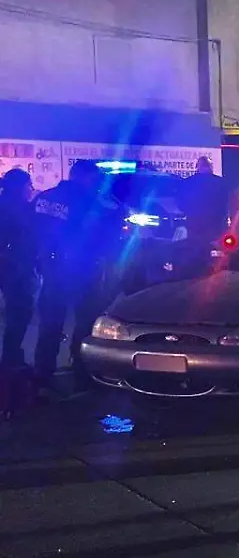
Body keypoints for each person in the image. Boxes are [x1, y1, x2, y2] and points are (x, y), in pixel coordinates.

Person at [32, 159, 126, 390]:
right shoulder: (88, 200)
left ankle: (42, 373)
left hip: (51, 268)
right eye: (93, 180)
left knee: (50, 323)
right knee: (85, 321)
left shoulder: (45, 196)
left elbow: (31, 229)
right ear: (84, 177)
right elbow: (104, 229)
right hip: (81, 268)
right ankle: (81, 371)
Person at [0, 168, 36, 368]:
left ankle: (12, 357)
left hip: (12, 264)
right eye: (28, 185)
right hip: (15, 266)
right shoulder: (20, 209)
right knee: (20, 312)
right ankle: (10, 359)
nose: (31, 189)